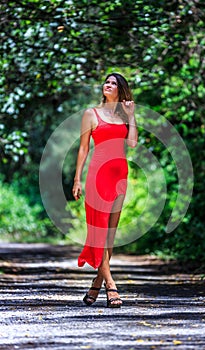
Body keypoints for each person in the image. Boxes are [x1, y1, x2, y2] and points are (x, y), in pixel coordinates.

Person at [72, 73, 138, 308]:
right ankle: (111, 285)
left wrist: (131, 117)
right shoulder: (91, 114)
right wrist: (77, 179)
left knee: (110, 235)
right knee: (99, 233)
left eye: (113, 83)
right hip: (98, 177)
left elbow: (131, 144)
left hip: (120, 176)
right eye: (106, 82)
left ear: (120, 90)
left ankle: (95, 285)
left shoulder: (124, 116)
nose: (107, 85)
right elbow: (83, 149)